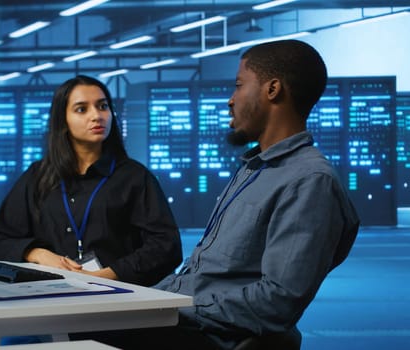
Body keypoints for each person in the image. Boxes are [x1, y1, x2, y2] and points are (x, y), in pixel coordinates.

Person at [71, 40, 360, 349]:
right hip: (184, 317)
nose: (230, 100)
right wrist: (147, 299)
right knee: (70, 321)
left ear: (272, 89)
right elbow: (204, 274)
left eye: (238, 85)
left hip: (211, 336)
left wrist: (171, 308)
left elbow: (277, 302)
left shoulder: (309, 181)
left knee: (72, 332)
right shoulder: (253, 169)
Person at [0, 74, 182, 287]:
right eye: (81, 109)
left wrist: (111, 275)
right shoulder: (38, 176)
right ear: (63, 120)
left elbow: (166, 247)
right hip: (45, 296)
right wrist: (37, 253)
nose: (97, 116)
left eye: (103, 106)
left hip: (116, 297)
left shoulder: (134, 177)